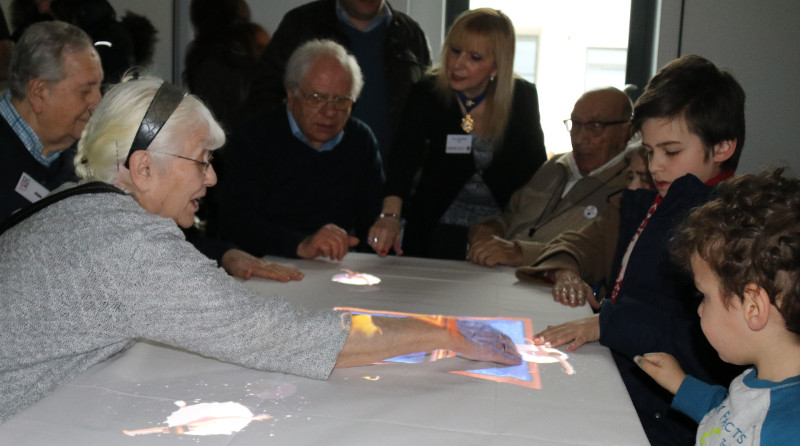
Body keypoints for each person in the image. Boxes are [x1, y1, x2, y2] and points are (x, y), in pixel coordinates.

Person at [0, 76, 521, 423]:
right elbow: (289, 338)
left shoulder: (78, 199)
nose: (210, 178)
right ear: (142, 168)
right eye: (201, 161)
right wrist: (444, 332)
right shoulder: (133, 247)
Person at [523, 55, 746, 446]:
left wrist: (607, 323)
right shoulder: (659, 199)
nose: (656, 165)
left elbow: (702, 342)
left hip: (670, 416)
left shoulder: (723, 226)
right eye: (649, 150)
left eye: (672, 152)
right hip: (630, 381)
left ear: (723, 146)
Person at [636, 168, 800, 445]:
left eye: (705, 296)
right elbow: (731, 415)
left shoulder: (784, 433)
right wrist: (680, 384)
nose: (699, 309)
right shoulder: (762, 380)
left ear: (752, 308)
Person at [368, 8, 547, 260]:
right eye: (455, 51)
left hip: (500, 230)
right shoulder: (426, 93)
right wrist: (390, 217)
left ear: (496, 66)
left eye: (474, 57)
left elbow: (537, 174)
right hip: (435, 226)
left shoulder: (522, 98)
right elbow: (402, 161)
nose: (457, 64)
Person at [220, 39, 384, 261]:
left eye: (341, 100)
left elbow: (371, 216)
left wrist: (380, 236)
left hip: (335, 265)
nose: (329, 112)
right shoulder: (254, 137)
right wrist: (299, 244)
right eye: (317, 98)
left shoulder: (360, 140)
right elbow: (234, 221)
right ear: (291, 95)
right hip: (264, 262)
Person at [468, 87, 633, 268]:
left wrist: (522, 253)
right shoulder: (554, 166)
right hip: (497, 274)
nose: (578, 138)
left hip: (555, 285)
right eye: (575, 123)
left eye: (595, 126)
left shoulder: (632, 184)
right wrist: (492, 228)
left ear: (625, 131)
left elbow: (603, 254)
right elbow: (510, 216)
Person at [243, 0, 430, 159]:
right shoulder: (302, 24)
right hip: (310, 177)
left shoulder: (410, 34)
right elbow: (264, 97)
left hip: (391, 187)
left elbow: (425, 112)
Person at [0, 21, 102, 221]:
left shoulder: (86, 159)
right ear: (39, 93)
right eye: (84, 91)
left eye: (99, 87)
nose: (97, 103)